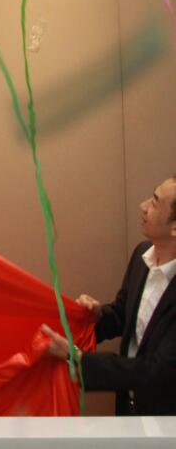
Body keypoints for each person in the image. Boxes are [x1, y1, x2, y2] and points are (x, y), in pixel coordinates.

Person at [42, 176, 176, 415]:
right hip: (129, 409)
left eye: (155, 202)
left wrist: (81, 360)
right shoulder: (142, 256)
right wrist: (94, 316)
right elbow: (122, 315)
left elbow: (157, 370)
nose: (143, 206)